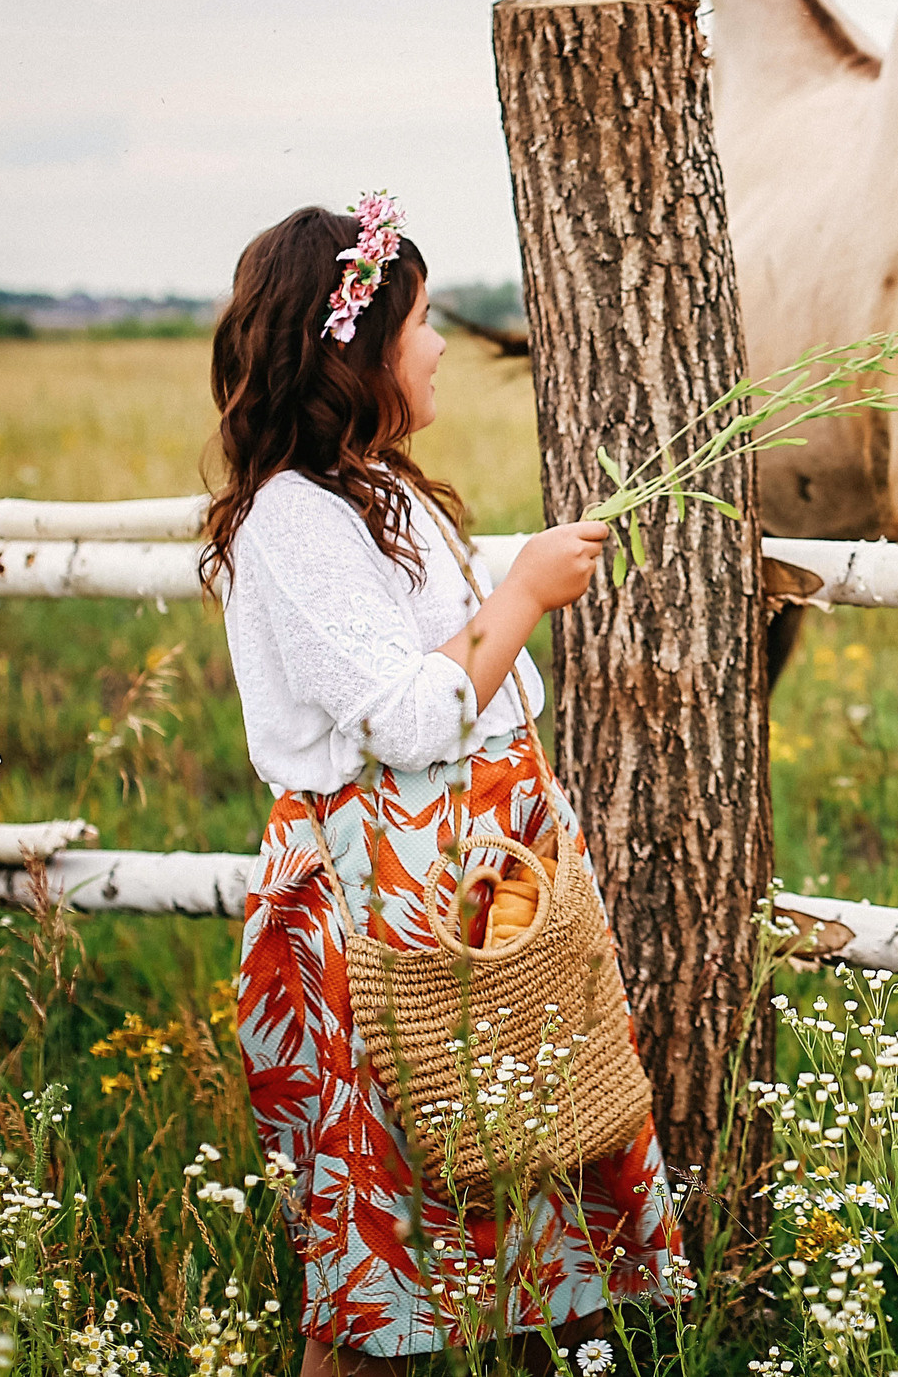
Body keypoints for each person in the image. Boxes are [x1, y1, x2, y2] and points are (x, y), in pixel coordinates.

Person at [202, 198, 681, 1374]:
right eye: (418, 322)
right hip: (388, 900)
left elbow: (441, 668)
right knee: (390, 1226)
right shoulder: (291, 520)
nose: (440, 344)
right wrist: (522, 594)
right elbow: (409, 717)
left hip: (476, 882)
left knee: (544, 1176)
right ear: (353, 351)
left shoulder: (382, 489)